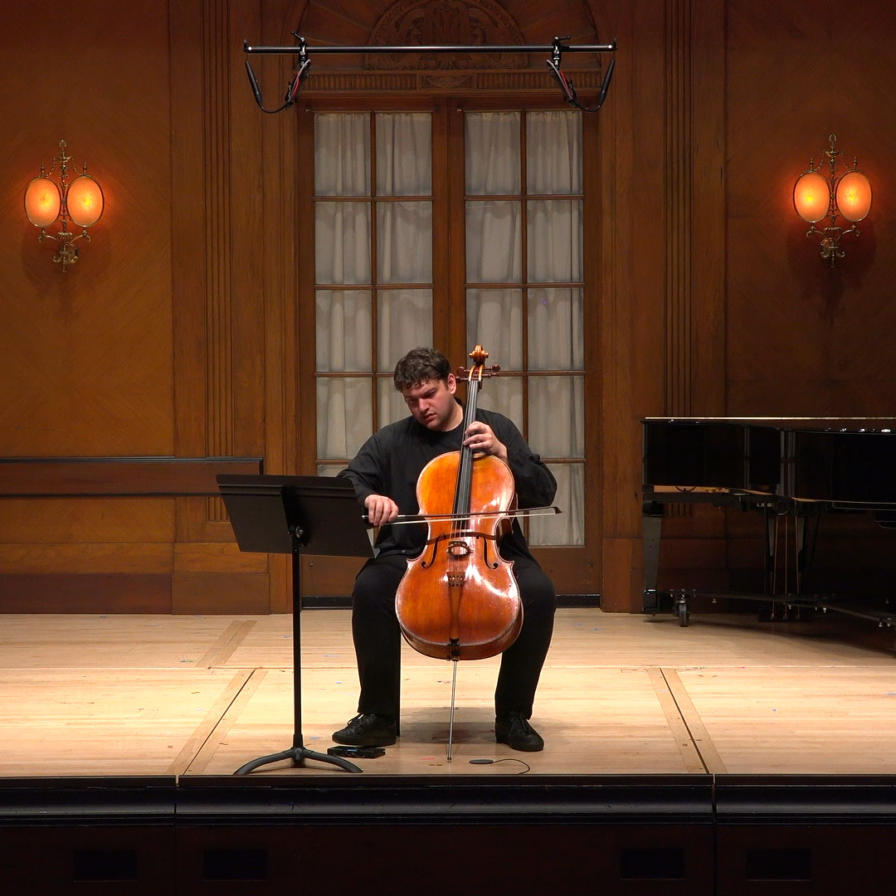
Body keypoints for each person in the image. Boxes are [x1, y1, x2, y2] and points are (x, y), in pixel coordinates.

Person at [333, 347, 557, 752]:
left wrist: (504, 454)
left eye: (429, 395)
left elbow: (544, 490)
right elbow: (349, 480)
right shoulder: (392, 439)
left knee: (539, 593)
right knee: (370, 588)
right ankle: (379, 716)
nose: (422, 407)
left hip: (492, 549)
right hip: (414, 552)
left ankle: (512, 715)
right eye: (411, 400)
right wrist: (369, 498)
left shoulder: (495, 429)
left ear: (452, 384)